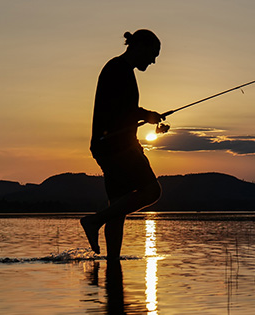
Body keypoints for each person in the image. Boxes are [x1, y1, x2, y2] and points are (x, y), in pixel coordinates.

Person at [81, 29, 163, 259]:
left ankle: (113, 264)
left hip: (106, 146)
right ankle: (94, 221)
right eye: (153, 54)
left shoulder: (119, 69)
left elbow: (121, 111)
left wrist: (146, 116)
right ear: (140, 47)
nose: (154, 60)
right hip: (117, 147)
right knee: (152, 191)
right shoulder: (119, 69)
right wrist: (147, 115)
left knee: (117, 208)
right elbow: (122, 111)